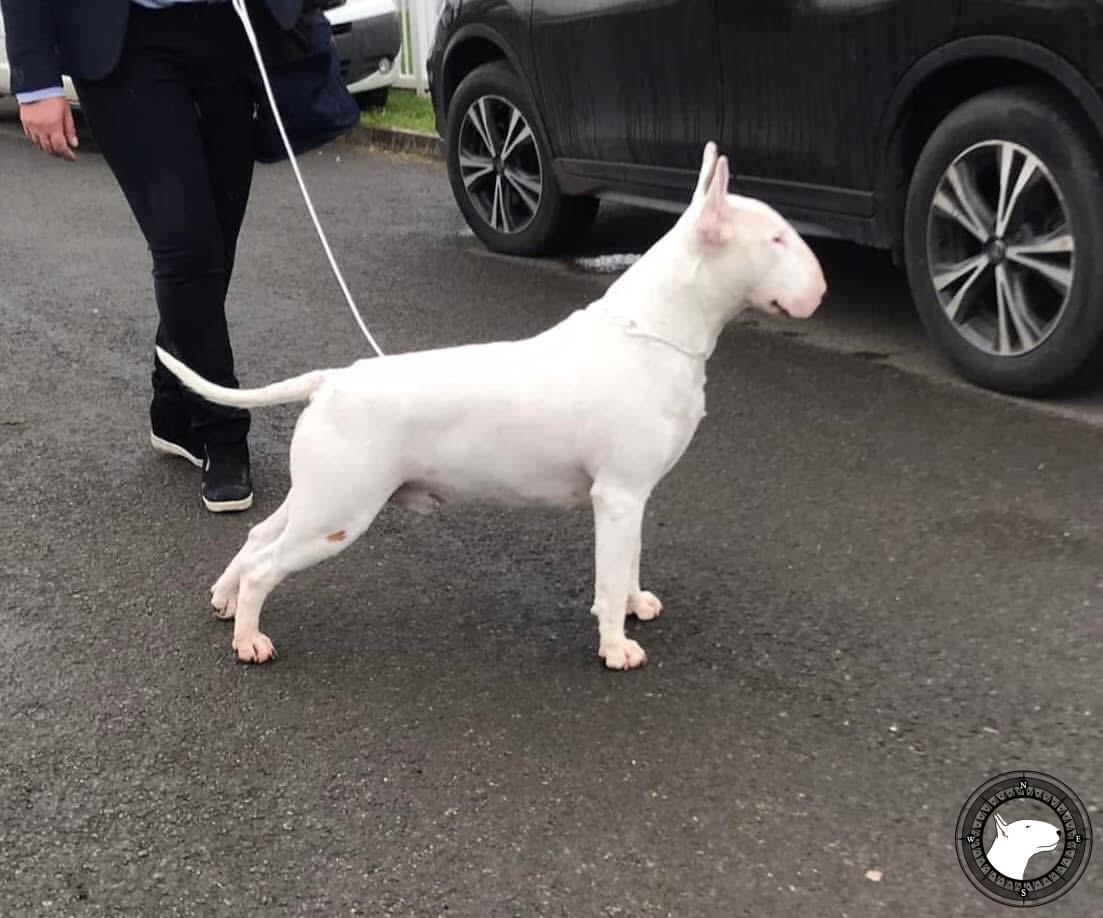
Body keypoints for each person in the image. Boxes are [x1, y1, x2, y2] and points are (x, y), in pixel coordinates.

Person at [2, 0, 307, 512]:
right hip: (125, 41)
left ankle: (172, 404)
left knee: (215, 243)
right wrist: (36, 79)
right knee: (186, 243)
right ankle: (223, 430)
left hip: (227, 31)